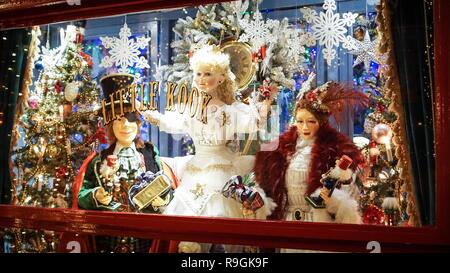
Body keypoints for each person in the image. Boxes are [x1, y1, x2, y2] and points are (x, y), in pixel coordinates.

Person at [142, 45, 276, 253]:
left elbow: (251, 124)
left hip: (221, 169)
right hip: (195, 169)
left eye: (208, 74)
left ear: (221, 78)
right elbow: (174, 122)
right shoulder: (191, 107)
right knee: (189, 220)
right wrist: (155, 117)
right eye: (198, 74)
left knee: (222, 222)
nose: (202, 79)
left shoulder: (229, 109)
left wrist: (265, 106)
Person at [254, 81, 367, 252]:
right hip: (289, 224)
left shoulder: (335, 150)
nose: (304, 127)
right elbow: (269, 188)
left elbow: (349, 193)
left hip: (319, 223)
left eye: (311, 121)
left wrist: (332, 199)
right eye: (300, 121)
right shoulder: (279, 150)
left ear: (320, 123)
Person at [77, 73, 174, 253]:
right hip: (108, 238)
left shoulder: (150, 154)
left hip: (144, 237)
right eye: (119, 120)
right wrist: (95, 195)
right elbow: (82, 195)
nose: (126, 126)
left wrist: (163, 200)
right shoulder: (99, 160)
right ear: (110, 124)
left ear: (137, 123)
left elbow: (167, 188)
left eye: (131, 119)